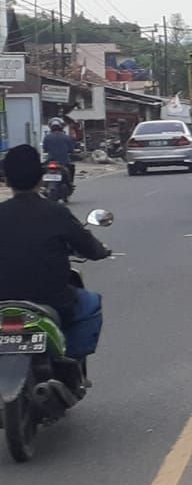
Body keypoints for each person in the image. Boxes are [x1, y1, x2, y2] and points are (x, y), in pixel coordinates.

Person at [0, 145, 111, 377]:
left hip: (3, 302)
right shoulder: (56, 212)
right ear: (41, 178)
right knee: (90, 303)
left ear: (7, 180)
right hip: (51, 301)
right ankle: (71, 363)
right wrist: (102, 251)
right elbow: (89, 247)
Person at [41, 116, 77, 189]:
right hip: (63, 162)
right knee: (71, 168)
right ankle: (70, 183)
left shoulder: (47, 137)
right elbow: (71, 149)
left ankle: (43, 185)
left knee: (42, 169)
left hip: (50, 161)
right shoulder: (66, 137)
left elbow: (45, 149)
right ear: (61, 127)